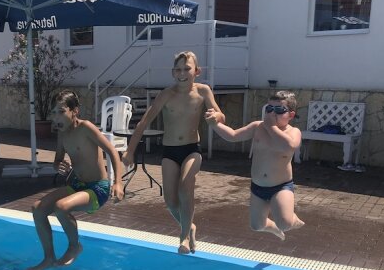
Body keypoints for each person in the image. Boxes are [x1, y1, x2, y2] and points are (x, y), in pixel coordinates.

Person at [122, 51, 225, 254]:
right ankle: (189, 226)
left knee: (185, 185)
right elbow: (144, 122)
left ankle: (184, 236)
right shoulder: (166, 95)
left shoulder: (203, 91)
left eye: (187, 69)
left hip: (192, 149)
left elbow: (221, 114)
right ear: (172, 72)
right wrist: (130, 150)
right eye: (178, 69)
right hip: (170, 151)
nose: (182, 73)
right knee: (170, 202)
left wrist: (217, 116)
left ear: (197, 71)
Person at [27, 90, 124, 270]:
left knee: (61, 207)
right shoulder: (62, 134)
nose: (56, 117)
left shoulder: (86, 128)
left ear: (75, 111)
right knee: (37, 208)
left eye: (61, 111)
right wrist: (58, 165)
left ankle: (74, 246)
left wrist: (118, 182)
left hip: (98, 189)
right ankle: (48, 258)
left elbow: (112, 151)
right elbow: (57, 160)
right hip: (78, 185)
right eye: (54, 113)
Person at [205, 91, 304, 240]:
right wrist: (215, 124)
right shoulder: (258, 127)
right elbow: (233, 135)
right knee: (257, 225)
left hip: (281, 187)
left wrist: (271, 127)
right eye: (269, 109)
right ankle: (274, 228)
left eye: (279, 110)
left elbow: (289, 146)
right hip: (258, 187)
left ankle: (292, 220)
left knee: (285, 223)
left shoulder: (293, 132)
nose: (272, 114)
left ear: (291, 115)